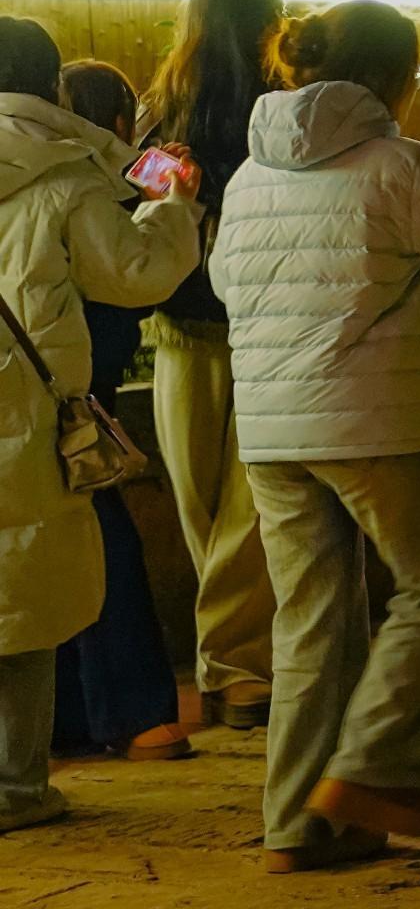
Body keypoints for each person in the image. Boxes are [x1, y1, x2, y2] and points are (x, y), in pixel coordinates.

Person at [212, 0, 420, 871]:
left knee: (310, 620)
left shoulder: (250, 174)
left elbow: (224, 282)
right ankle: (377, 771)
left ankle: (298, 825)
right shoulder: (400, 164)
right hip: (374, 417)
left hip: (271, 428)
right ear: (391, 77)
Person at [2, 35, 197, 832]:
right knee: (26, 594)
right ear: (48, 82)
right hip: (25, 414)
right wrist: (173, 203)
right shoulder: (62, 174)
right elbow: (135, 272)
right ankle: (15, 787)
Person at [136, 0, 283, 734]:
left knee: (212, 498)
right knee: (241, 504)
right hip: (264, 314)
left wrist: (181, 191)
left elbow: (135, 192)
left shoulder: (167, 104)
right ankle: (238, 663)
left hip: (189, 318)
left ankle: (231, 666)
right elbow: (140, 184)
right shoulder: (275, 103)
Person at [48, 61, 193, 770]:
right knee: (106, 549)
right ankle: (137, 717)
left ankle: (64, 719)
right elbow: (142, 278)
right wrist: (173, 199)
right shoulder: (92, 187)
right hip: (76, 402)